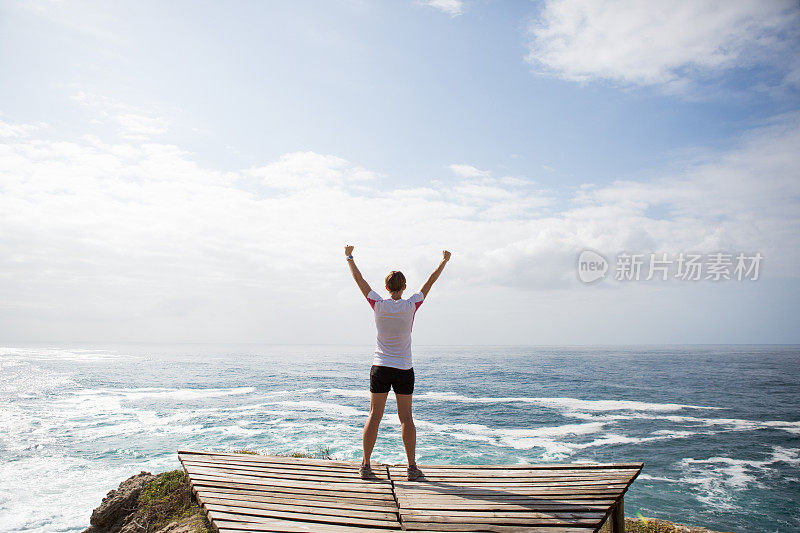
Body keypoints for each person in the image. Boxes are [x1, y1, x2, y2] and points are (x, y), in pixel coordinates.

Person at [344, 245, 451, 481]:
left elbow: (359, 279)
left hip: (380, 367)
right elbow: (430, 282)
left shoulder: (377, 304)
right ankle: (412, 468)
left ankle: (365, 465)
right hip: (404, 368)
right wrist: (443, 261)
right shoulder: (411, 304)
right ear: (404, 287)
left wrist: (349, 257)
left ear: (385, 287)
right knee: (406, 418)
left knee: (374, 415)